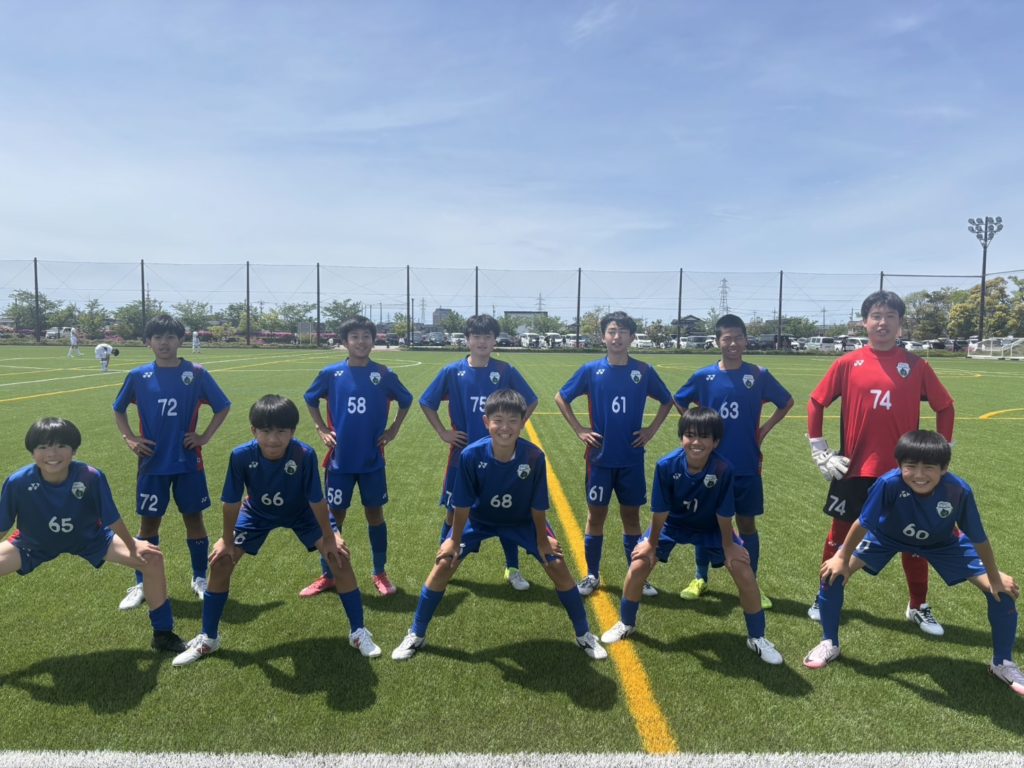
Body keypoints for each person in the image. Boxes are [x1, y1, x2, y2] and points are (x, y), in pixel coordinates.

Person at [391, 389, 607, 661]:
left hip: (522, 520)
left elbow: (538, 504)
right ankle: (416, 633)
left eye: (513, 421)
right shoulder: (470, 455)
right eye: (498, 420)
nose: (505, 427)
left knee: (556, 564)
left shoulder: (534, 457)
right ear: (486, 422)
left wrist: (543, 540)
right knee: (444, 563)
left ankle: (584, 634)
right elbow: (462, 504)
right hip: (480, 519)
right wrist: (454, 540)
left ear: (522, 422)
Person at [803, 431, 1023, 696]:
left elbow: (979, 538)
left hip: (942, 542)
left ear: (944, 468)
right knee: (832, 574)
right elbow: (863, 522)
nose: (919, 474)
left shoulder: (958, 490)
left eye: (929, 467)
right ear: (899, 465)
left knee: (1002, 592)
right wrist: (840, 558)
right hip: (886, 537)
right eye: (910, 466)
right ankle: (829, 643)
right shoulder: (888, 483)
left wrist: (994, 578)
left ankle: (1003, 663)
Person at [172, 395, 381, 666]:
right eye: (266, 431)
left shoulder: (304, 454)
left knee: (338, 556)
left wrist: (330, 539)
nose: (273, 439)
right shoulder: (241, 456)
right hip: (257, 512)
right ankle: (209, 638)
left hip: (302, 511)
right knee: (221, 562)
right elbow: (231, 502)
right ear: (254, 431)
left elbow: (317, 500)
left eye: (282, 431)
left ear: (292, 432)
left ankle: (358, 632)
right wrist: (226, 540)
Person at [806, 291, 954, 634]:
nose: (882, 322)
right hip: (854, 468)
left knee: (915, 538)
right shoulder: (847, 363)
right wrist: (819, 448)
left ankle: (917, 605)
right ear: (864, 322)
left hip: (907, 473)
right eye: (876, 315)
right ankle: (826, 595)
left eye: (890, 316)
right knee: (839, 536)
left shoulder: (916, 366)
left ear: (900, 323)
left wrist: (941, 451)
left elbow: (945, 406)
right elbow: (816, 401)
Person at [600, 408, 783, 665]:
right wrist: (651, 544)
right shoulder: (666, 466)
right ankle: (626, 623)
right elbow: (661, 510)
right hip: (674, 524)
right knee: (639, 564)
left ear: (715, 442)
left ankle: (757, 638)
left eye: (704, 437)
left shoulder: (724, 469)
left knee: (744, 572)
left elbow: (724, 513)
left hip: (712, 527)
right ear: (681, 438)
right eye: (690, 435)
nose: (696, 442)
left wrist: (729, 546)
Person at [0, 418, 186, 653]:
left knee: (152, 558)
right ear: (32, 451)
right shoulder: (18, 482)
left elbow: (112, 518)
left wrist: (132, 546)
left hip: (91, 538)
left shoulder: (90, 476)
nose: (52, 454)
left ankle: (163, 635)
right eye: (43, 447)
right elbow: (2, 526)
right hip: (33, 543)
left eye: (61, 446)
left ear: (74, 450)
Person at [673, 314, 793, 607]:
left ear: (746, 340)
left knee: (747, 523)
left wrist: (763, 430)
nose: (733, 343)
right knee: (705, 522)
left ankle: (751, 583)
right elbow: (679, 400)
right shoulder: (704, 377)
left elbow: (786, 401)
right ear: (717, 342)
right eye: (726, 338)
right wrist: (697, 430)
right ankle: (700, 578)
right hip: (710, 464)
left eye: (738, 337)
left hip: (746, 462)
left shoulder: (758, 374)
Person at [113, 314, 231, 610]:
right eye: (157, 337)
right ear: (148, 342)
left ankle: (200, 578)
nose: (163, 343)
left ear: (181, 340)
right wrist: (130, 438)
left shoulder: (196, 373)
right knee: (149, 522)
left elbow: (222, 406)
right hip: (152, 463)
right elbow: (119, 409)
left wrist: (204, 436)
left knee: (194, 519)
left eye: (170, 337)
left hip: (188, 462)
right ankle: (143, 583)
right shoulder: (138, 376)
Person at [554, 311, 674, 597]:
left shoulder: (643, 371)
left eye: (622, 332)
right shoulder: (591, 370)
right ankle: (592, 575)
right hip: (599, 459)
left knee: (631, 518)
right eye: (611, 331)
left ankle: (637, 576)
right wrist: (580, 430)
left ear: (632, 337)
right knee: (596, 517)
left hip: (631, 459)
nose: (617, 337)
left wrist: (650, 430)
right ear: (603, 337)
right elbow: (561, 397)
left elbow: (667, 400)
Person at [420, 313, 539, 591]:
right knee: (453, 511)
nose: (482, 341)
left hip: (501, 457)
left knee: (506, 512)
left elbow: (531, 400)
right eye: (476, 336)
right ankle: (444, 561)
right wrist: (443, 432)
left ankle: (513, 568)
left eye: (487, 336)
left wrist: (516, 427)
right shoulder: (453, 371)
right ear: (467, 340)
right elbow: (427, 402)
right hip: (463, 456)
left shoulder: (505, 370)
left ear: (495, 340)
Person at [301, 315, 412, 598]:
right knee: (334, 517)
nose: (361, 342)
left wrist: (393, 430)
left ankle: (380, 572)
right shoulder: (331, 374)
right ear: (344, 342)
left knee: (374, 514)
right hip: (340, 461)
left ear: (373, 341)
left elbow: (406, 400)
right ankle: (329, 575)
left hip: (372, 460)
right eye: (355, 337)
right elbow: (310, 398)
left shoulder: (383, 374)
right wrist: (321, 428)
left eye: (366, 336)